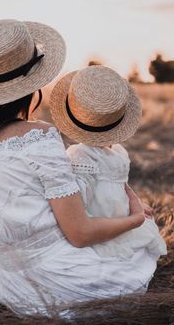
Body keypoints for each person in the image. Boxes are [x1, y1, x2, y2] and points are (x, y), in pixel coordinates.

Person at [0, 19, 156, 318]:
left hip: (14, 288)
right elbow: (80, 233)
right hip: (72, 286)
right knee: (143, 250)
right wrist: (136, 219)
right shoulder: (38, 137)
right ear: (30, 86)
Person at [49, 65, 167, 260]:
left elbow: (106, 193)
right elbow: (98, 196)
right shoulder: (107, 152)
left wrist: (134, 206)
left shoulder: (87, 154)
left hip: (106, 223)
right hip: (109, 221)